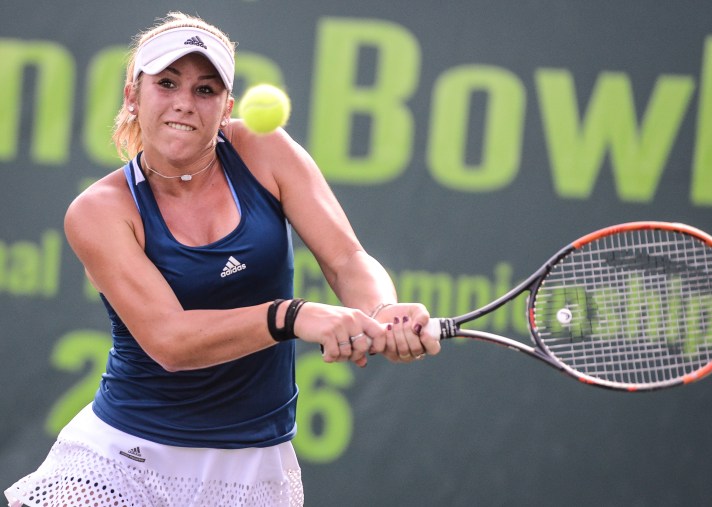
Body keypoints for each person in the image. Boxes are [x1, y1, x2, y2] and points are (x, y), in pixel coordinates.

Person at [4, 11, 440, 507]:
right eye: (167, 83)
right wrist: (292, 315)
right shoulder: (99, 211)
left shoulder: (263, 150)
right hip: (124, 464)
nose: (184, 104)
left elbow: (346, 258)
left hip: (256, 470)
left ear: (226, 105)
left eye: (205, 90)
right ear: (133, 95)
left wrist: (381, 312)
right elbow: (170, 342)